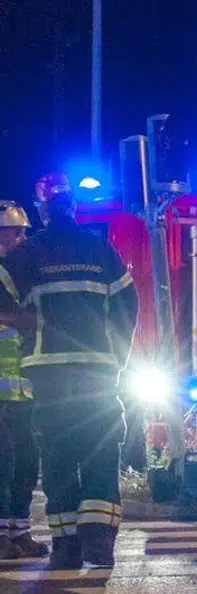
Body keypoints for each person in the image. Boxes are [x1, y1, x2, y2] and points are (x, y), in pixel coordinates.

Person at [4, 174, 138, 569]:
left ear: (43, 210)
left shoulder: (27, 254)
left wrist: (33, 325)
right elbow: (129, 307)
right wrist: (118, 358)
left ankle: (66, 547)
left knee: (59, 456)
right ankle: (98, 543)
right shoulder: (101, 249)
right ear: (74, 206)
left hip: (48, 374)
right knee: (100, 451)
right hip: (97, 371)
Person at [0, 202, 45, 558]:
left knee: (26, 462)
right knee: (4, 462)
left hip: (22, 387)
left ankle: (18, 532)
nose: (23, 239)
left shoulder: (19, 273)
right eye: (16, 232)